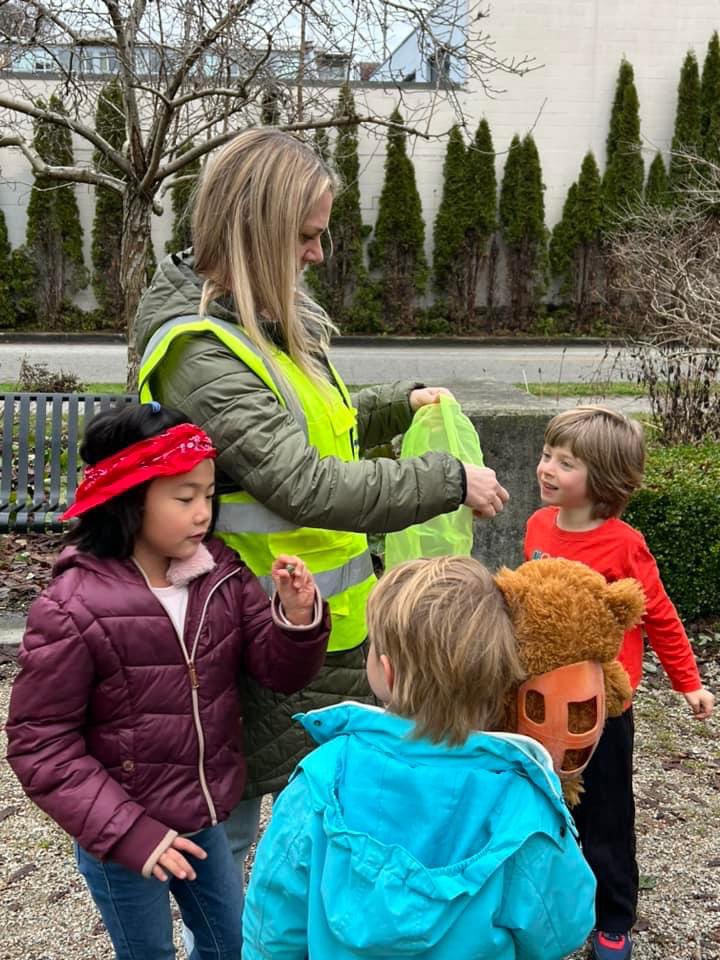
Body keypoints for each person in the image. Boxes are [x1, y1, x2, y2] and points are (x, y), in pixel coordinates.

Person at [134, 126, 510, 876]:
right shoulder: (198, 349)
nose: (317, 255)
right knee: (231, 827)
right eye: (306, 236)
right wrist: (445, 480)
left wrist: (393, 405)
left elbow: (312, 428)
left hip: (315, 624)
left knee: (329, 818)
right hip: (246, 634)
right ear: (257, 231)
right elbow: (300, 482)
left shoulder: (255, 323)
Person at [5, 402, 330, 960]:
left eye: (208, 494)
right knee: (147, 952)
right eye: (184, 498)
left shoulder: (220, 573)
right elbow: (40, 741)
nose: (203, 512)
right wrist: (130, 834)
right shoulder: (73, 607)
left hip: (203, 819)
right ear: (128, 498)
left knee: (235, 945)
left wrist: (297, 619)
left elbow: (277, 672)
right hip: (122, 838)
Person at [242, 556, 597, 959]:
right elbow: (562, 928)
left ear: (387, 673)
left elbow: (272, 920)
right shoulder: (523, 804)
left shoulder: (322, 779)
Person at [525, 405, 715, 960]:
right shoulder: (538, 526)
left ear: (604, 480)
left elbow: (658, 615)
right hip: (536, 697)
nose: (547, 469)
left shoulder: (623, 544)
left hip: (602, 707)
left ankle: (613, 916)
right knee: (542, 801)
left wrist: (688, 682)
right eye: (547, 455)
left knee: (605, 815)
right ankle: (551, 898)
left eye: (566, 463)